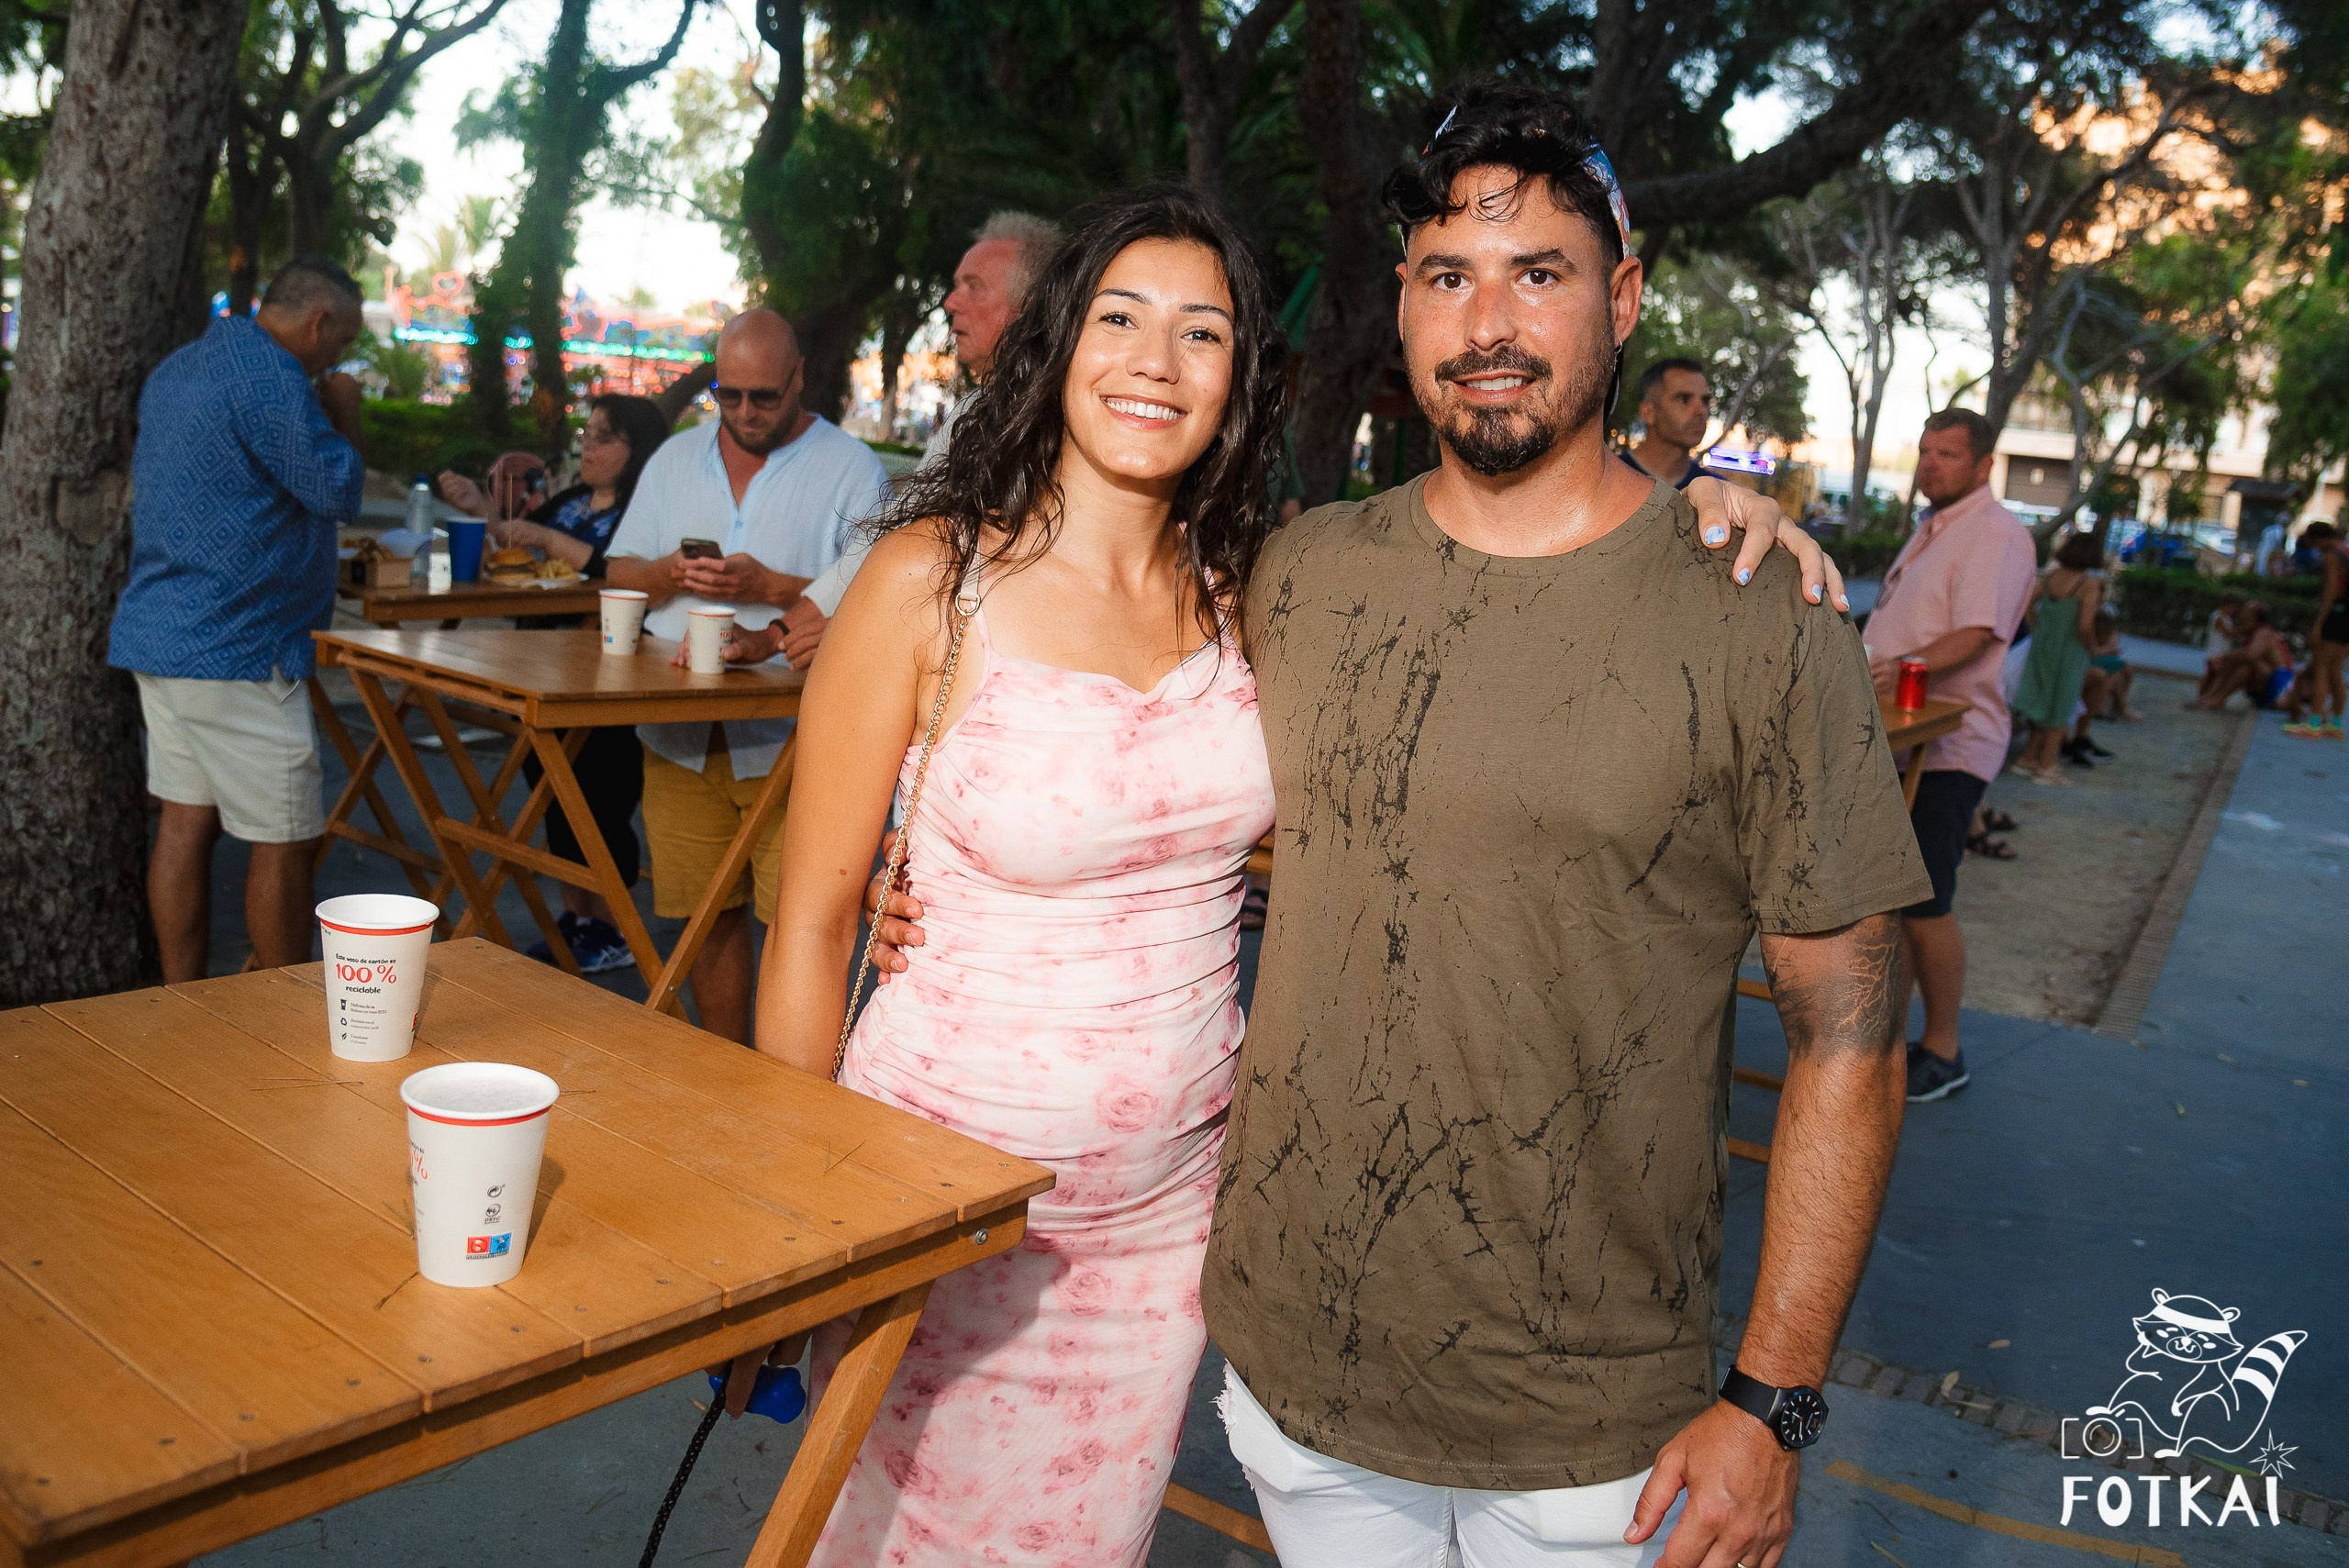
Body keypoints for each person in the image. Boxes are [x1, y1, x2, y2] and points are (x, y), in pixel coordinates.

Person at [766, 175, 1852, 1566]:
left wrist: (1722, 518)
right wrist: (798, 1245)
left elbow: (1516, 608)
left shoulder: (1263, 587)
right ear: (1057, 343)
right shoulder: (930, 577)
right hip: (930, 1211)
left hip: (1165, 1235)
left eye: (1204, 333)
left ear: (1242, 378)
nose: (1156, 363)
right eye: (1120, 317)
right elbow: (805, 926)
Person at [604, 309, 885, 1041]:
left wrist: (770, 589)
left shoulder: (851, 467)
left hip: (797, 744)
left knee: (799, 929)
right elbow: (618, 571)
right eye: (729, 396)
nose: (746, 413)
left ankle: (783, 1096)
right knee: (703, 919)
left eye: (764, 396)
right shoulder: (673, 459)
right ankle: (725, 1075)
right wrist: (670, 572)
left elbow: (877, 594)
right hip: (676, 733)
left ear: (799, 379)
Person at [106, 257, 366, 981]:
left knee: (185, 824)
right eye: (340, 344)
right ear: (319, 324)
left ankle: (181, 999)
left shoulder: (182, 366)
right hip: (241, 645)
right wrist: (346, 411)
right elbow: (337, 488)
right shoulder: (271, 378)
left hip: (162, 631)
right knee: (282, 836)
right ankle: (280, 1017)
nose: (336, 359)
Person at [439, 394, 674, 972]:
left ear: (636, 447)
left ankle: (614, 926)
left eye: (603, 437)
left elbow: (613, 568)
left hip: (603, 672)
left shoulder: (646, 509)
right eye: (586, 434)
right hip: (539, 665)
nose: (587, 447)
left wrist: (546, 542)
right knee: (548, 788)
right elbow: (516, 540)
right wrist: (484, 513)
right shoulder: (571, 500)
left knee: (601, 796)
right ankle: (578, 918)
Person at [780, 211, 1064, 667]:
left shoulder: (1064, 421)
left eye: (974, 286)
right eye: (956, 285)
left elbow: (995, 570)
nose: (951, 302)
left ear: (1030, 306)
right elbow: (900, 530)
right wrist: (782, 630)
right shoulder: (972, 413)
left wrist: (862, 624)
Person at [1864, 406, 2039, 1103]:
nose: (1930, 464)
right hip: (1904, 739)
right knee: (1901, 901)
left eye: (1947, 455)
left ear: (1984, 465)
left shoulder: (1996, 533)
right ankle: (1896, 1041)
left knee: (1928, 899)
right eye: (1925, 450)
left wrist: (1896, 663)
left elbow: (1973, 633)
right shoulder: (1936, 526)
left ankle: (1944, 1049)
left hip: (1951, 744)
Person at [2008, 533, 2105, 784]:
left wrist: (2038, 630)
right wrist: (2093, 648)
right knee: (2061, 707)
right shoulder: (2088, 583)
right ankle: (2046, 766)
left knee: (2041, 703)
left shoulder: (2051, 577)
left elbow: (2027, 606)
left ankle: (2027, 758)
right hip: (2070, 650)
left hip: (2043, 647)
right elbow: (2084, 625)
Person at [2284, 520, 2347, 740]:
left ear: (2316, 539)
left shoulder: (2331, 557)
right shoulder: (2345, 552)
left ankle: (2313, 725)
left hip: (2335, 614)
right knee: (2336, 671)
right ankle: (2336, 724)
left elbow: (2330, 593)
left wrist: (2319, 624)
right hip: (2347, 615)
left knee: (2321, 669)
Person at [1622, 355, 1710, 487]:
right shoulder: (1610, 481)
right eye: (1684, 399)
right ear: (1648, 413)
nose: (1701, 411)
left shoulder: (1714, 492)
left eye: (1705, 401)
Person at [2192, 599, 2294, 713]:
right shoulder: (2250, 634)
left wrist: (2223, 658)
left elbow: (2251, 655)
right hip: (2263, 688)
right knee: (2228, 661)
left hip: (2279, 687)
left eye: (2246, 613)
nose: (2241, 616)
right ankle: (2210, 696)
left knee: (2246, 663)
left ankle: (2218, 698)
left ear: (2256, 619)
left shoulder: (2264, 632)